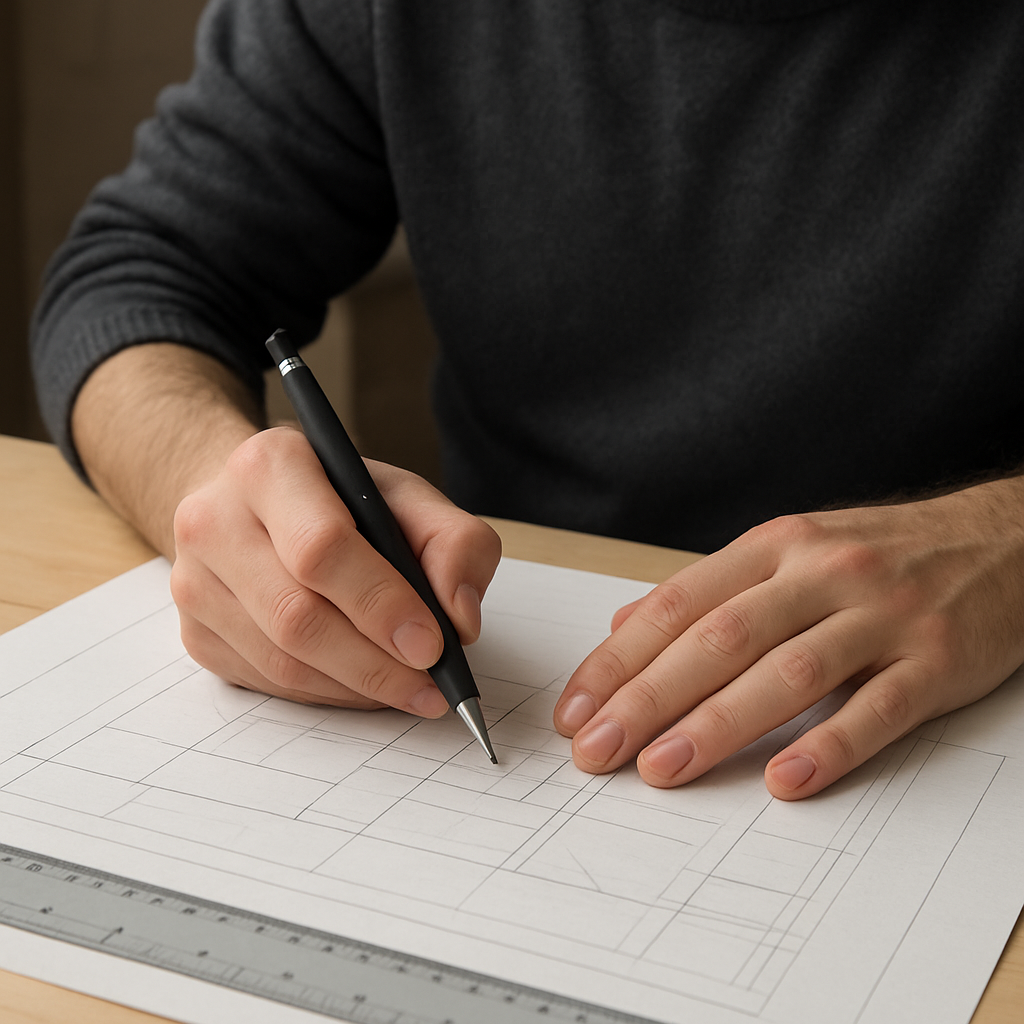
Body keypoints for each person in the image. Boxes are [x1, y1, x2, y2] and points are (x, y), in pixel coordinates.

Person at [31, 0, 1024, 800]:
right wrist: (208, 479)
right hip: (522, 639)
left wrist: (1007, 539)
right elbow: (140, 275)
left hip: (970, 709)